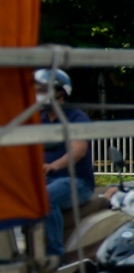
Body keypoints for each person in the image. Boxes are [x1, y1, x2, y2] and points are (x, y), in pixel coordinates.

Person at [34, 67, 93, 255]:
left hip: (77, 183)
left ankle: (55, 257)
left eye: (42, 90)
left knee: (46, 198)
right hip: (46, 180)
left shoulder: (76, 117)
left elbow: (79, 150)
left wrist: (52, 166)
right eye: (36, 90)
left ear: (61, 92)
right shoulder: (38, 120)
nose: (37, 95)